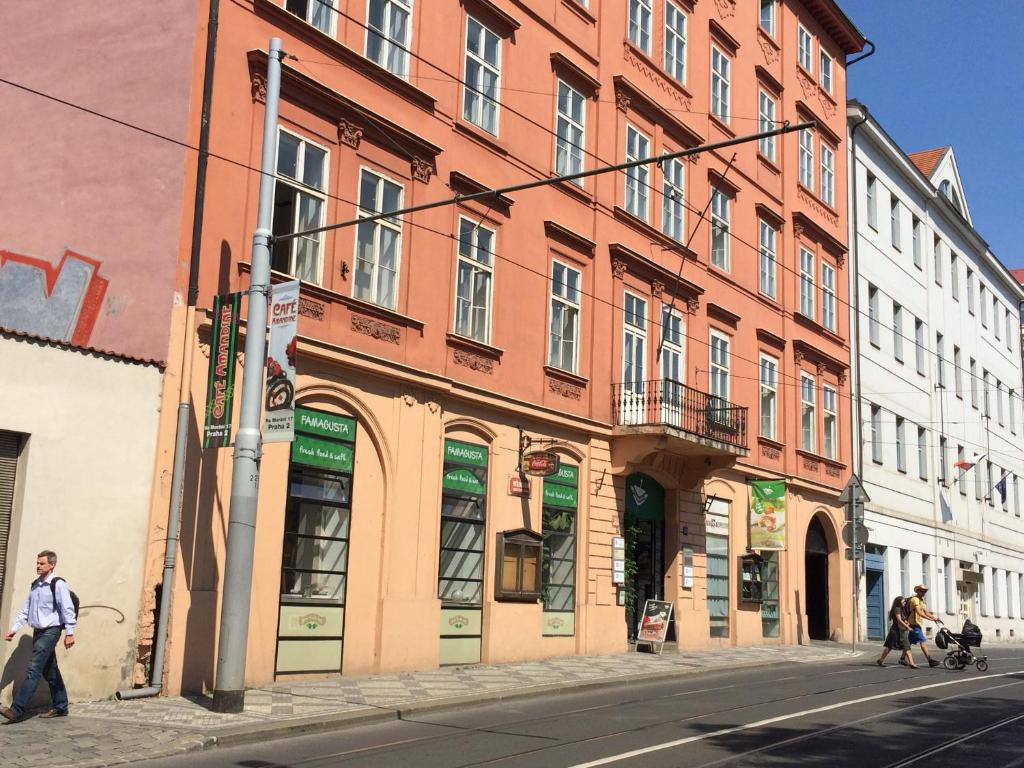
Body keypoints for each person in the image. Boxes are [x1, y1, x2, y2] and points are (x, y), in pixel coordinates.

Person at [1, 550, 76, 723]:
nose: (38, 565)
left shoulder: (58, 584)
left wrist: (69, 633)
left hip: (51, 630)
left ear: (52, 565)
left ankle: (16, 710)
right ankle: (61, 706)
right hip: (38, 631)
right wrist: (14, 629)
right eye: (37, 562)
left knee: (33, 669)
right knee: (50, 671)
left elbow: (67, 609)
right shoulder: (35, 585)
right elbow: (26, 610)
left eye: (42, 563)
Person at [876, 596, 917, 668]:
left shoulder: (901, 609)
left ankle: (912, 663)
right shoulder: (897, 609)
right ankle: (881, 660)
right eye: (903, 602)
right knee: (889, 647)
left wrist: (907, 622)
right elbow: (899, 620)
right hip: (895, 631)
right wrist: (908, 627)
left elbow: (903, 619)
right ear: (899, 602)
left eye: (904, 601)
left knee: (906, 646)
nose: (904, 603)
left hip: (902, 631)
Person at [906, 584, 941, 668]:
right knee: (923, 641)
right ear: (917, 591)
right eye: (921, 591)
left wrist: (935, 618)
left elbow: (927, 612)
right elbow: (919, 612)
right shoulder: (915, 600)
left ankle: (902, 658)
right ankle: (930, 660)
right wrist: (930, 619)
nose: (923, 592)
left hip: (917, 623)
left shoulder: (922, 601)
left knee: (908, 643)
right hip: (913, 624)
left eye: (924, 591)